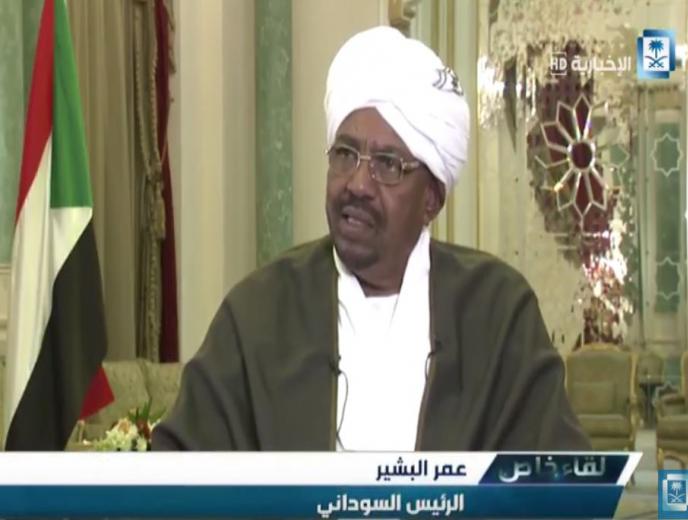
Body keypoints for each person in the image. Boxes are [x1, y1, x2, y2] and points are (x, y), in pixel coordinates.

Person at [152, 26, 590, 451]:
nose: (358, 184)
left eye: (387, 164)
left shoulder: (496, 311)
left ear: (431, 199)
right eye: (345, 154)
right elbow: (175, 470)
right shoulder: (261, 310)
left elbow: (559, 474)